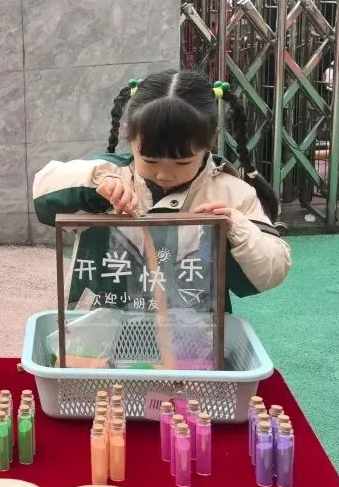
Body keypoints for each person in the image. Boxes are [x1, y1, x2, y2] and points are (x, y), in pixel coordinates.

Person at [33, 70, 291, 311]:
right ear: (129, 134)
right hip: (104, 326)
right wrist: (97, 185)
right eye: (151, 161)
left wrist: (236, 228)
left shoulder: (232, 194)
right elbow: (44, 195)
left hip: (196, 332)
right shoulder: (110, 175)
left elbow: (271, 271)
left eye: (182, 163)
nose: (164, 174)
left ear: (210, 140)